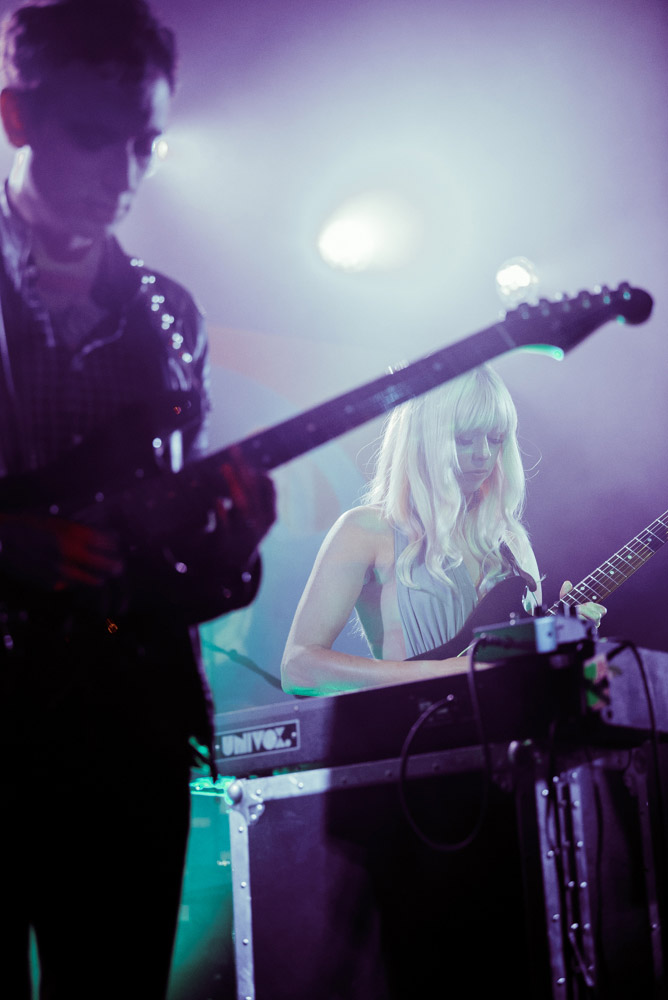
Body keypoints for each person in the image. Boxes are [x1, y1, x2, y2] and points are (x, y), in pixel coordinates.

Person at [0, 2, 275, 998]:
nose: (121, 175)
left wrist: (229, 548)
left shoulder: (168, 317)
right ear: (15, 116)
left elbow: (162, 573)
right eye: (90, 134)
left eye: (145, 143)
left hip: (120, 734)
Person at [282, 364, 606, 695]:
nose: (483, 455)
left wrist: (569, 639)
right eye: (464, 439)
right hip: (416, 735)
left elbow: (533, 678)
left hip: (511, 739)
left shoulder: (512, 542)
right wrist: (446, 671)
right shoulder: (366, 530)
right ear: (423, 439)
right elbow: (299, 668)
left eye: (495, 439)